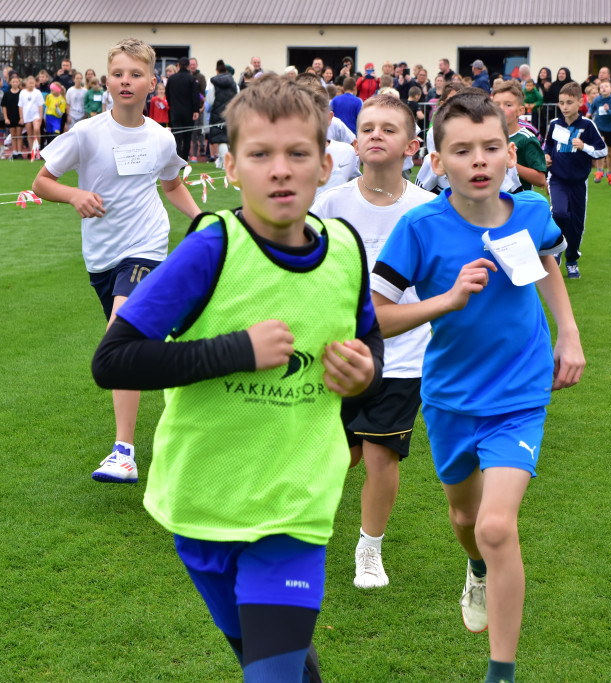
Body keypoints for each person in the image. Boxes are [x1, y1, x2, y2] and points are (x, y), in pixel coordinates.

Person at [91, 72, 379, 683]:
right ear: (230, 167)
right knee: (274, 662)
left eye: (298, 153)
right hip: (204, 502)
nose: (281, 169)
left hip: (294, 504)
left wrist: (365, 371)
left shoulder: (347, 249)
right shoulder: (209, 248)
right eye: (261, 154)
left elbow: (367, 337)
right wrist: (234, 351)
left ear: (326, 165)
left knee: (269, 673)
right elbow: (112, 360)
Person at [370, 90, 584, 683]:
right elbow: (376, 316)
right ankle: (477, 571)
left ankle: (501, 671)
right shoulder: (419, 227)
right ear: (437, 162)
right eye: (462, 150)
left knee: (496, 525)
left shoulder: (533, 212)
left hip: (519, 393)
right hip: (449, 399)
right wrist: (447, 299)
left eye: (492, 147)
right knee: (466, 524)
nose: (480, 160)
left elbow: (545, 264)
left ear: (508, 154)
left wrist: (568, 333)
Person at [32, 39, 201, 484]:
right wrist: (74, 195)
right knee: (134, 341)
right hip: (101, 256)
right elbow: (42, 182)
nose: (126, 82)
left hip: (147, 245)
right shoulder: (87, 132)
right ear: (106, 79)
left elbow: (172, 186)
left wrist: (204, 220)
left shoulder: (162, 137)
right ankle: (180, 370)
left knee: (120, 335)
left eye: (135, 74)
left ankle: (123, 451)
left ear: (152, 82)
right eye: (118, 74)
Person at [312, 93, 434, 590]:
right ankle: (298, 530)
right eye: (367, 128)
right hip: (339, 355)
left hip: (404, 357)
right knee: (336, 454)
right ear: (354, 142)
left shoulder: (429, 209)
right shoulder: (330, 205)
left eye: (388, 128)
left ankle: (369, 549)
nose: (376, 135)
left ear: (413, 145)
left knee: (381, 456)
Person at [543, 82, 606, 279]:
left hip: (579, 182)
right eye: (561, 103)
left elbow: (602, 150)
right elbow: (548, 146)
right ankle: (556, 249)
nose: (565, 106)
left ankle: (572, 260)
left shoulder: (587, 125)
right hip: (557, 179)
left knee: (576, 223)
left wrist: (585, 146)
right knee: (560, 213)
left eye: (569, 102)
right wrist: (545, 156)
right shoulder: (554, 124)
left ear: (580, 102)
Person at [491, 80, 546, 192]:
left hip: (519, 203)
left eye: (508, 105)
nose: (501, 109)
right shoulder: (487, 136)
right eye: (496, 105)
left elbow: (540, 179)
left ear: (520, 111)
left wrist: (511, 164)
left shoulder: (527, 138)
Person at [166, 57, 200, 163]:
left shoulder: (171, 79)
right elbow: (195, 96)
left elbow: (167, 95)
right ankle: (184, 160)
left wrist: (172, 106)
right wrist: (196, 111)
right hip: (188, 112)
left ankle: (177, 159)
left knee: (177, 136)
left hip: (175, 111)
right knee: (187, 137)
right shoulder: (191, 79)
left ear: (178, 66)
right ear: (189, 66)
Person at [588, 80, 611, 185]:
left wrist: (608, 111)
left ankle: (610, 173)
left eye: (606, 86)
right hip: (599, 127)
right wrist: (588, 113)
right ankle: (599, 171)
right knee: (600, 146)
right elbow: (592, 108)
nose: (603, 88)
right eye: (601, 87)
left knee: (610, 151)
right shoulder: (597, 99)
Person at [3, 74, 23, 158]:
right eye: (13, 81)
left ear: (19, 82)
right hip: (10, 116)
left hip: (19, 116)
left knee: (19, 134)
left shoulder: (22, 93)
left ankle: (19, 152)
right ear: (10, 82)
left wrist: (22, 118)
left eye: (16, 81)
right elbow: (4, 106)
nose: (15, 83)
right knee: (13, 135)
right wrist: (6, 118)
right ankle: (14, 152)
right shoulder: (7, 94)